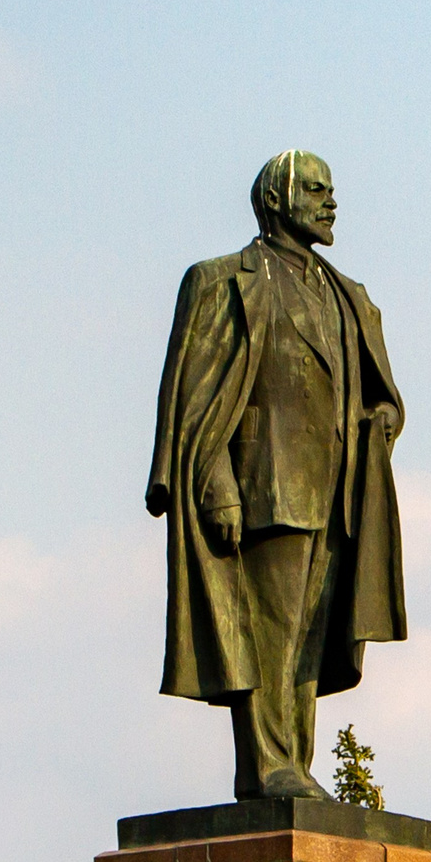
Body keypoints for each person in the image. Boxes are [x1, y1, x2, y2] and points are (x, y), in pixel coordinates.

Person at [145, 150, 406, 800]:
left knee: (309, 643)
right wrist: (214, 483)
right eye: (317, 189)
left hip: (337, 493)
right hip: (267, 486)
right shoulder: (225, 281)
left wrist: (379, 420)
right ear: (277, 200)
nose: (331, 202)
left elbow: (380, 393)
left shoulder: (348, 296)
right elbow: (195, 397)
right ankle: (265, 764)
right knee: (270, 629)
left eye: (331, 190)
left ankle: (295, 764)